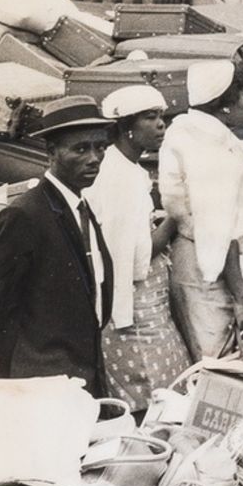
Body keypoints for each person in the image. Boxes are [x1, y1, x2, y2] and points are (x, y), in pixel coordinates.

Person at [0, 96, 115, 395]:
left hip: (80, 375)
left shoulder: (80, 207)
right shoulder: (25, 215)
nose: (94, 158)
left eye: (100, 147)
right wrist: (3, 391)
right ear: (51, 153)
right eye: (80, 149)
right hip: (40, 384)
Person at [84, 86, 189, 412]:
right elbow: (129, 260)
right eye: (150, 117)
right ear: (126, 126)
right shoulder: (117, 175)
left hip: (145, 302)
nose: (161, 125)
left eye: (162, 116)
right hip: (132, 308)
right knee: (152, 388)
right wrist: (175, 217)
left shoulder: (125, 168)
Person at [159, 60, 243, 359]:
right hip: (218, 279)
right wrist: (241, 299)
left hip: (220, 272)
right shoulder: (208, 148)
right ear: (223, 105)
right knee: (226, 365)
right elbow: (218, 232)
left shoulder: (201, 135)